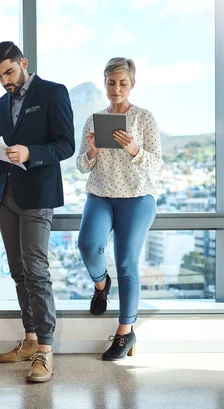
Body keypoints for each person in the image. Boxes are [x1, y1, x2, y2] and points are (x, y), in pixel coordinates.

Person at [0, 41, 75, 382]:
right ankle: (30, 338)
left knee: (36, 269)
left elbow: (66, 144)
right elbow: (1, 148)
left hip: (38, 194)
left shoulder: (53, 93)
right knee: (18, 270)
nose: (5, 80)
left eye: (9, 72)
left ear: (23, 62)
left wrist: (30, 152)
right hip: (7, 195)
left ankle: (46, 352)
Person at [76, 57, 162, 361]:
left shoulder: (144, 119)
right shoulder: (93, 120)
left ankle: (125, 332)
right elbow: (80, 166)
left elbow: (157, 163)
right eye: (111, 82)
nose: (116, 88)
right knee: (87, 245)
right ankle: (101, 285)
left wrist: (134, 149)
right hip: (100, 194)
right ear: (105, 83)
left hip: (137, 197)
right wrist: (92, 150)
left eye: (122, 83)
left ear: (132, 84)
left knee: (126, 263)